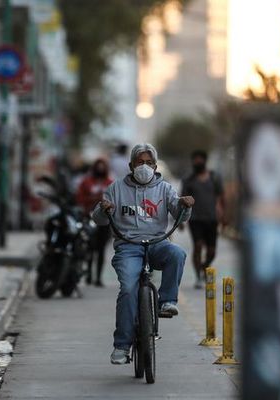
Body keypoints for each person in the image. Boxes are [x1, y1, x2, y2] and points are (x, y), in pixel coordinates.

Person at [92, 143, 194, 365]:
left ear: (156, 165)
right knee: (128, 289)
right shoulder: (115, 188)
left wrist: (185, 205)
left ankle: (166, 301)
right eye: (140, 162)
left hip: (157, 243)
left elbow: (179, 214)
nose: (145, 167)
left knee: (177, 253)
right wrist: (103, 209)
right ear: (131, 165)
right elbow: (98, 219)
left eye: (149, 163)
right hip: (128, 247)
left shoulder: (165, 189)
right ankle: (121, 346)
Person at [181, 150, 225, 289]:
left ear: (205, 161)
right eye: (195, 160)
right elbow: (182, 199)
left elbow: (220, 197)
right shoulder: (189, 180)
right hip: (195, 219)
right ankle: (198, 276)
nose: (198, 162)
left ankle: (205, 267)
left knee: (211, 251)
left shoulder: (214, 177)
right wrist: (181, 220)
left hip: (212, 219)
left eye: (200, 159)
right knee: (198, 246)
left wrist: (222, 214)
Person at [76, 158, 114, 287]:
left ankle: (98, 277)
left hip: (105, 220)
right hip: (89, 217)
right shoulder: (86, 182)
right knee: (90, 248)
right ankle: (89, 276)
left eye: (103, 167)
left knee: (101, 249)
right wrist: (93, 199)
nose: (100, 169)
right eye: (98, 167)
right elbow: (79, 198)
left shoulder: (110, 183)